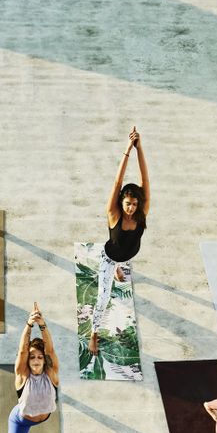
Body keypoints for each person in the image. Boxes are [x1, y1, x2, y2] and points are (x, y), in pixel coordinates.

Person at [90, 126, 149, 353]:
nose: (132, 208)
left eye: (135, 204)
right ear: (121, 202)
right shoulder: (113, 213)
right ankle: (93, 334)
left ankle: (119, 267)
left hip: (127, 254)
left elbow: (145, 179)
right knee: (103, 298)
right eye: (128, 204)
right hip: (109, 256)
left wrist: (140, 148)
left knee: (123, 259)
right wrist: (128, 148)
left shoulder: (142, 212)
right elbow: (117, 182)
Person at [5, 302, 59, 433]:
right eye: (32, 357)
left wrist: (43, 325)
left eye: (39, 357)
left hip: (44, 417)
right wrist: (29, 325)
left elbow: (51, 350)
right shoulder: (22, 376)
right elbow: (21, 352)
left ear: (44, 361)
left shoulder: (51, 374)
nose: (35, 359)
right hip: (20, 420)